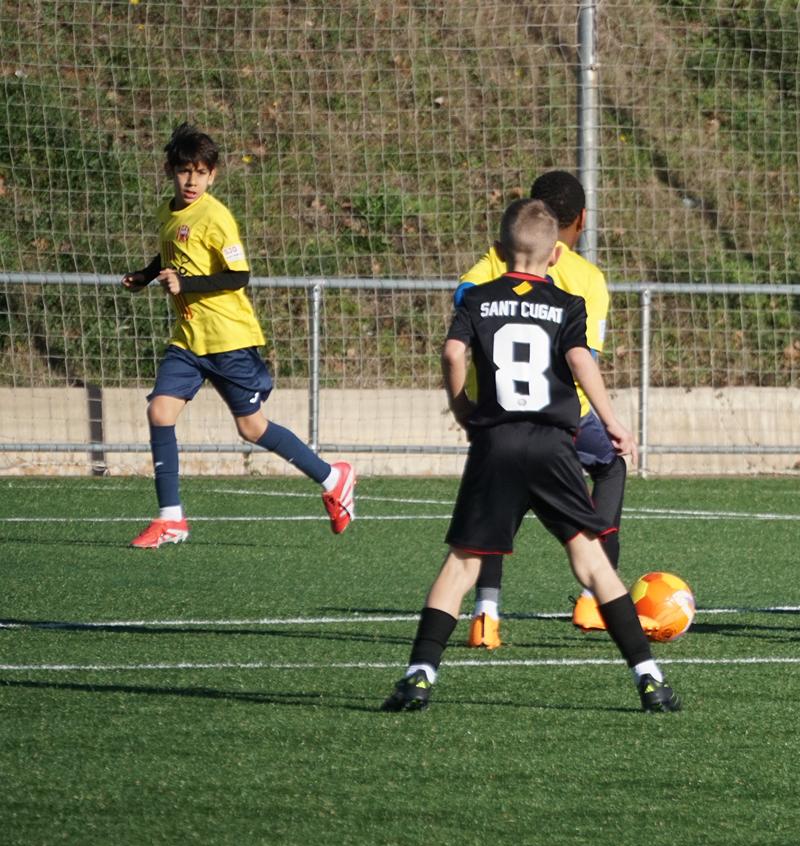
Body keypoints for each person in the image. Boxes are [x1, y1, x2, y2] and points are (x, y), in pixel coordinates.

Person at [382, 198, 679, 714]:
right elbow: (580, 360)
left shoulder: (477, 298)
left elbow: (452, 353)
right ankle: (649, 677)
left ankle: (419, 675)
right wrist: (611, 421)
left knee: (462, 564)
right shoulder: (567, 304)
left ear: (499, 250)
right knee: (591, 563)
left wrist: (463, 408)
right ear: (556, 254)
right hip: (552, 445)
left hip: (495, 443)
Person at [120, 123, 354, 548]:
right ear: (170, 170)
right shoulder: (167, 213)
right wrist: (147, 274)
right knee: (160, 411)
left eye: (200, 172)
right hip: (189, 339)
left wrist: (185, 285)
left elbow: (238, 275)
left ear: (213, 176)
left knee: (252, 427)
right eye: (184, 171)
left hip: (228, 339)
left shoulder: (216, 217)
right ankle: (171, 518)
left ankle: (333, 478)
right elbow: (172, 253)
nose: (191, 180)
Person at [452, 170, 623, 647]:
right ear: (582, 220)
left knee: (495, 503)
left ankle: (486, 614)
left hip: (496, 412)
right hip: (563, 419)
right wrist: (611, 421)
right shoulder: (587, 278)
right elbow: (585, 358)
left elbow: (462, 303)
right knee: (611, 466)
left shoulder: (496, 260)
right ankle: (595, 596)